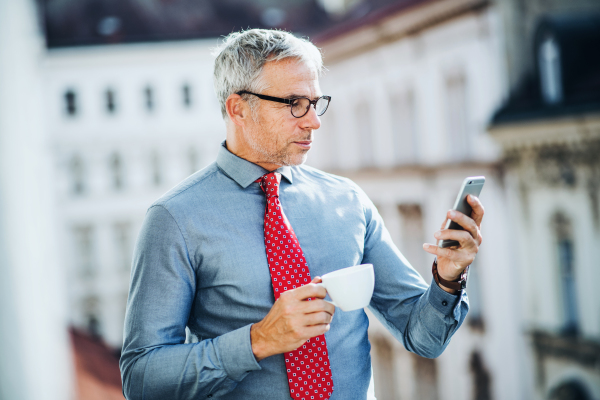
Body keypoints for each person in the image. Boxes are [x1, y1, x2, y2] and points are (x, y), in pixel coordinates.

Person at [119, 29, 484, 400]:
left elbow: (424, 338)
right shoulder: (175, 219)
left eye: (314, 102)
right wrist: (258, 340)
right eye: (294, 103)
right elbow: (142, 378)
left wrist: (448, 280)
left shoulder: (347, 200)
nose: (313, 121)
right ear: (238, 108)